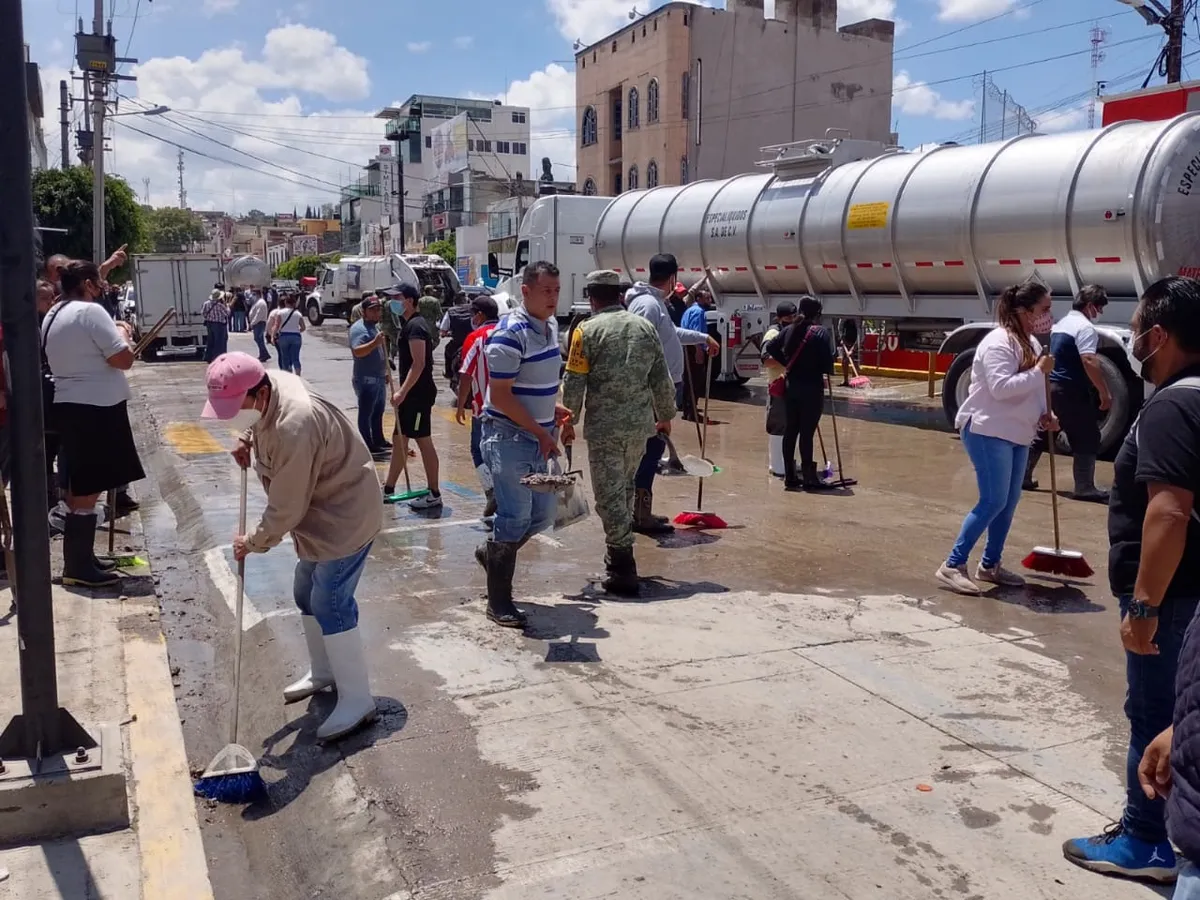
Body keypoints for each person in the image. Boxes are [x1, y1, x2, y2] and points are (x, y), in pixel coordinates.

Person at [1064, 276, 1200, 885]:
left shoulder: (1172, 404)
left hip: (1172, 597)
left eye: (1140, 326)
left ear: (1160, 335)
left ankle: (1148, 840)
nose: (1135, 339)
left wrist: (1143, 606)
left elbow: (1168, 510)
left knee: (1153, 715)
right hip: (1191, 591)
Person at [205, 352, 381, 742]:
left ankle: (357, 698)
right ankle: (324, 671)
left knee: (330, 600)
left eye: (237, 410)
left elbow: (284, 510)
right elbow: (258, 425)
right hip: (318, 513)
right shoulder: (269, 388)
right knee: (305, 591)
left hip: (344, 513)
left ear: (261, 393)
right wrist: (245, 436)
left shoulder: (294, 425)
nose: (232, 416)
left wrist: (251, 542)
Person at [934, 282, 1057, 596]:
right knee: (993, 500)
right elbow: (1002, 388)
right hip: (988, 430)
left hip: (1017, 431)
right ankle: (952, 564)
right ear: (1023, 311)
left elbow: (1036, 386)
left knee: (1008, 502)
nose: (1048, 315)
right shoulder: (997, 343)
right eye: (1043, 309)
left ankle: (990, 565)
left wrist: (1046, 412)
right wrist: (1037, 371)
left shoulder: (1030, 342)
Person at [561, 271, 676, 596]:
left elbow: (574, 380)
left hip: (605, 430)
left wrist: (569, 419)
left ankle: (622, 567)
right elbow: (660, 376)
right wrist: (665, 416)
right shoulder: (645, 327)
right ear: (621, 296)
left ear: (593, 298)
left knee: (609, 497)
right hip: (640, 427)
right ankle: (619, 553)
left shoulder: (586, 330)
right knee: (624, 489)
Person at [475, 261, 567, 628]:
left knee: (542, 515)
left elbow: (537, 381)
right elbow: (502, 396)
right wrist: (542, 431)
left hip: (539, 436)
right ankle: (499, 602)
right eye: (546, 291)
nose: (553, 298)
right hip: (509, 436)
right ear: (525, 291)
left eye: (557, 291)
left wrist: (553, 408)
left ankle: (493, 552)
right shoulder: (509, 334)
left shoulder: (550, 327)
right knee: (514, 517)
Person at [42, 260, 144, 588]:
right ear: (87, 283)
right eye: (98, 282)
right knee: (89, 487)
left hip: (71, 403)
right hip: (96, 405)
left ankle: (82, 559)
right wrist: (123, 334)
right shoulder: (91, 312)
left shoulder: (54, 314)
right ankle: (78, 567)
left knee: (81, 485)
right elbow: (122, 359)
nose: (101, 288)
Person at [625, 254, 719, 534]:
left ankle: (642, 510)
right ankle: (640, 514)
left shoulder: (656, 303)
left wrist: (702, 338)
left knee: (652, 449)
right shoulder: (648, 305)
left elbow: (670, 335)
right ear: (673, 279)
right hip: (655, 389)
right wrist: (657, 397)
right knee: (650, 450)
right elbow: (640, 348)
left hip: (662, 387)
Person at [1024, 285, 1113, 503]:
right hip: (1071, 389)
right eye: (1099, 308)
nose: (1099, 314)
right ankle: (1085, 488)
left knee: (1046, 432)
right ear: (1091, 306)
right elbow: (1089, 360)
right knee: (1087, 436)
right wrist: (1104, 392)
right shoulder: (1085, 328)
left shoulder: (1062, 324)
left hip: (1052, 387)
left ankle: (1021, 477)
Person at [381, 284, 442, 509]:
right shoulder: (408, 325)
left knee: (423, 440)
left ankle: (434, 493)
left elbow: (419, 364)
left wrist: (402, 392)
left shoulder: (416, 326)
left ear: (409, 300)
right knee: (399, 441)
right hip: (410, 395)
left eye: (397, 297)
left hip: (417, 395)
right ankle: (388, 488)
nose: (393, 302)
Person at [766, 296, 836, 490]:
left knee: (791, 431)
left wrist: (787, 362)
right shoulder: (820, 332)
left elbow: (771, 347)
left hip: (791, 387)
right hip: (812, 388)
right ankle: (809, 477)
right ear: (816, 314)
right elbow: (828, 365)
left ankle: (790, 477)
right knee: (807, 433)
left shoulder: (788, 330)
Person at [455, 296, 501, 520]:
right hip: (511, 408)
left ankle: (492, 491)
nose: (471, 318)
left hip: (483, 408)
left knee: (478, 450)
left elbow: (465, 374)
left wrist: (461, 404)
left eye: (473, 314)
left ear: (480, 315)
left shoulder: (475, 338)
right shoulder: (509, 332)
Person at [348, 297, 391, 456]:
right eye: (373, 310)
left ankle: (378, 440)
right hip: (366, 379)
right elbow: (358, 351)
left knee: (378, 412)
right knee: (366, 413)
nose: (376, 313)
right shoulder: (359, 329)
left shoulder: (374, 326)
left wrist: (386, 371)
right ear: (364, 312)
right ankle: (367, 443)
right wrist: (374, 343)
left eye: (378, 309)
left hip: (378, 378)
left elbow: (381, 351)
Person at [762, 301, 798, 477]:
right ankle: (776, 465)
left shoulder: (793, 333)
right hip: (778, 387)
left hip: (793, 387)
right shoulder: (773, 333)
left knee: (792, 427)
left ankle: (789, 462)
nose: (791, 320)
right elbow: (766, 359)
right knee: (778, 427)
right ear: (779, 318)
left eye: (794, 317)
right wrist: (788, 359)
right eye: (788, 318)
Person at [679, 289, 714, 423]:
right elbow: (695, 333)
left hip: (687, 347)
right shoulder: (698, 312)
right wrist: (699, 351)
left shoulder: (689, 310)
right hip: (693, 348)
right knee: (695, 381)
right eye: (707, 298)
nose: (709, 301)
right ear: (698, 298)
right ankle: (692, 413)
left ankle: (687, 411)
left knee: (688, 381)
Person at [441, 292, 475, 391]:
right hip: (472, 342)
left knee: (447, 350)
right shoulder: (473, 310)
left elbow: (443, 329)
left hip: (457, 343)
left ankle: (449, 373)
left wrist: (444, 334)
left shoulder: (450, 311)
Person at [269, 293, 306, 375]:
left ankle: (288, 374)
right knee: (295, 358)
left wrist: (272, 336)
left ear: (285, 302)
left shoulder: (280, 313)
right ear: (294, 303)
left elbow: (276, 325)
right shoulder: (298, 314)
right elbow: (303, 327)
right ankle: (298, 375)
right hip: (296, 337)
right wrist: (296, 331)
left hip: (284, 336)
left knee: (285, 357)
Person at [201, 288, 230, 363]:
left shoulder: (206, 303)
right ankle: (218, 357)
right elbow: (227, 313)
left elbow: (203, 313)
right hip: (219, 324)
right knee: (219, 342)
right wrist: (227, 305)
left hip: (209, 324)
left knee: (210, 341)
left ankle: (208, 357)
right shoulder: (220, 305)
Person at [248, 290, 271, 362]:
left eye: (253, 294)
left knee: (258, 339)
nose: (252, 296)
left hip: (259, 323)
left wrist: (252, 323)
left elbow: (258, 315)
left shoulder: (261, 303)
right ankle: (263, 354)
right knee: (258, 339)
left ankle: (265, 354)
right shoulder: (257, 302)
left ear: (257, 294)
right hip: (257, 323)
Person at [418, 285, 443, 352]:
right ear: (430, 291)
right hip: (431, 324)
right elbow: (439, 313)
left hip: (421, 323)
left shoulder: (420, 300)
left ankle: (423, 351)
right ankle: (429, 350)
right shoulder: (435, 301)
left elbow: (417, 311)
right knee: (436, 340)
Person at [838, 318, 859, 387]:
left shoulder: (858, 318)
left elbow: (860, 335)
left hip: (856, 341)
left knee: (855, 362)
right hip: (846, 340)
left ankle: (854, 380)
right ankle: (845, 380)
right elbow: (840, 328)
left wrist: (853, 349)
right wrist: (842, 339)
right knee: (844, 360)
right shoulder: (843, 317)